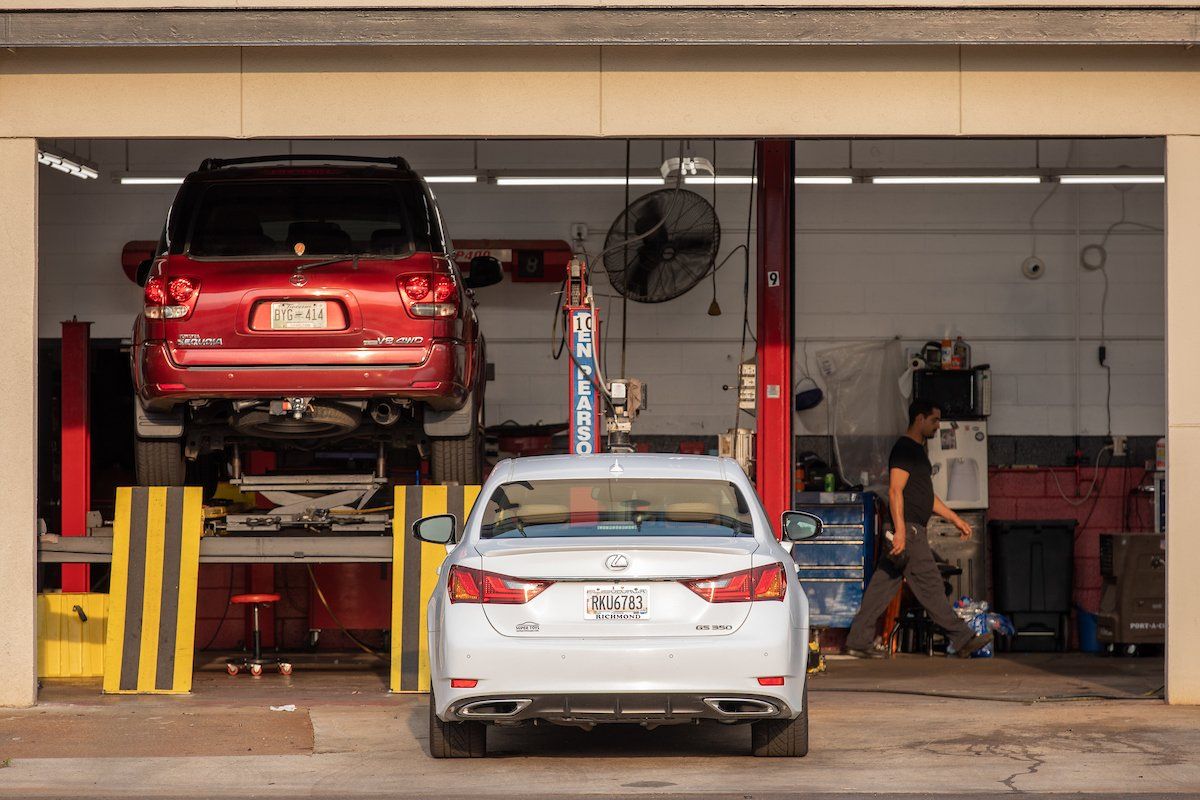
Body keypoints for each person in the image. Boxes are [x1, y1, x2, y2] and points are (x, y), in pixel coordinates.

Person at [845, 400, 993, 659]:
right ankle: (963, 638)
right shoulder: (905, 450)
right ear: (919, 419)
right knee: (931, 586)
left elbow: (927, 497)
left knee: (882, 587)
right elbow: (895, 490)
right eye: (934, 420)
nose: (938, 426)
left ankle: (858, 639)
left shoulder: (917, 452)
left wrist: (955, 519)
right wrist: (901, 531)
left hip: (907, 530)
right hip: (908, 532)